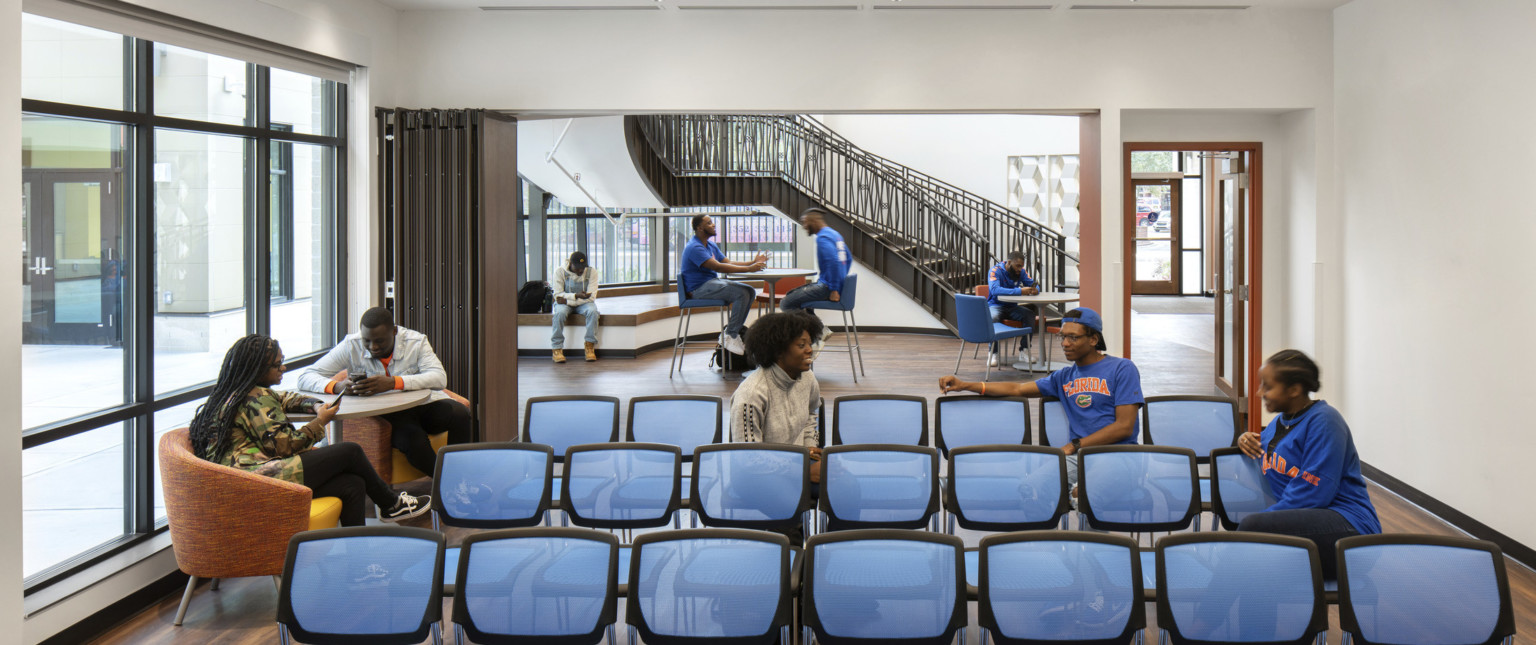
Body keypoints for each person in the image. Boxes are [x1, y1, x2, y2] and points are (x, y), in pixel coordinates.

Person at [188, 335, 431, 526]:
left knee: (353, 484)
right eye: (277, 365)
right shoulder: (256, 399)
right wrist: (320, 422)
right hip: (258, 479)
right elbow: (285, 446)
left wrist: (314, 405)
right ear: (257, 370)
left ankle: (357, 556)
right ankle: (391, 504)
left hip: (245, 480)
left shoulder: (239, 392)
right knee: (350, 451)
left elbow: (286, 398)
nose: (283, 368)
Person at [938, 307, 1142, 490]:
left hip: (1119, 455)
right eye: (1062, 337)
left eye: (1073, 337)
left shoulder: (1122, 369)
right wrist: (965, 385)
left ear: (1093, 340)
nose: (1064, 343)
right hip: (1080, 458)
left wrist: (1074, 445)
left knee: (1088, 494)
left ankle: (1080, 508)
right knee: (1032, 487)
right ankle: (1050, 529)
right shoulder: (1063, 377)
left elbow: (1124, 426)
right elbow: (1017, 389)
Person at [1237, 349, 1380, 576]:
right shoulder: (1277, 425)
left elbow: (1314, 492)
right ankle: (1221, 610)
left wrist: (1266, 520)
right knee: (1257, 568)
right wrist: (1243, 439)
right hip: (1308, 528)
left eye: (1268, 386)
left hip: (1351, 533)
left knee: (1251, 531)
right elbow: (1260, 451)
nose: (1259, 393)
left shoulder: (1325, 421)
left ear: (1294, 389)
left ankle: (1205, 610)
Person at [297, 307, 473, 478]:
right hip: (387, 415)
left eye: (380, 341)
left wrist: (394, 382)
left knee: (460, 413)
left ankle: (460, 474)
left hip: (422, 405)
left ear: (394, 331)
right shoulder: (352, 344)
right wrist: (338, 386)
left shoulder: (416, 342)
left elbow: (439, 378)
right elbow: (305, 377)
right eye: (367, 340)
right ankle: (450, 483)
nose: (373, 346)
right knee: (414, 440)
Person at [730, 311, 826, 544]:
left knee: (847, 487)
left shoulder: (808, 379)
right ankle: (793, 574)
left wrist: (810, 447)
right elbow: (750, 458)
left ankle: (830, 554)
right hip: (755, 476)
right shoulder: (751, 394)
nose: (810, 350)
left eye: (809, 343)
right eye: (801, 345)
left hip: (795, 462)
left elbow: (812, 414)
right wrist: (804, 469)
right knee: (790, 506)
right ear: (778, 351)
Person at [680, 214, 768, 355]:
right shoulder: (694, 247)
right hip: (698, 290)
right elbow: (719, 268)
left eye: (712, 222)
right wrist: (749, 269)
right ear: (699, 228)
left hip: (712, 284)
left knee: (750, 291)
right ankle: (731, 334)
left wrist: (752, 262)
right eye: (709, 223)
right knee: (741, 293)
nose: (713, 225)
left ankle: (733, 333)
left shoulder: (710, 245)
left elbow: (727, 262)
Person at [779, 207, 850, 314]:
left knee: (786, 303)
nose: (803, 226)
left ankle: (807, 329)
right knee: (791, 294)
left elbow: (834, 262)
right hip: (828, 285)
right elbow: (848, 258)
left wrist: (834, 289)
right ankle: (817, 329)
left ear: (814, 221)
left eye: (804, 222)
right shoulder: (834, 234)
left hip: (827, 288)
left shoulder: (823, 238)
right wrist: (841, 280)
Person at [985, 251, 1040, 366]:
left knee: (1029, 315)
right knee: (993, 316)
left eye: (1021, 266)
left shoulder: (1021, 272)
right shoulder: (995, 271)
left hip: (1012, 307)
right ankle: (993, 352)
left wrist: (1036, 289)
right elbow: (995, 290)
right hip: (996, 305)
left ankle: (1024, 350)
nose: (1020, 269)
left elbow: (1034, 284)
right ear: (1009, 262)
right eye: (1018, 266)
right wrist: (1020, 291)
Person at [549, 250, 600, 363]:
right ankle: (556, 347)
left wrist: (569, 301)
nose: (580, 270)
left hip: (571, 302)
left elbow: (591, 298)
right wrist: (576, 296)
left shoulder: (592, 272)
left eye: (582, 267)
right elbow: (558, 295)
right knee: (559, 313)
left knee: (593, 312)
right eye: (577, 267)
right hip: (568, 302)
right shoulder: (560, 271)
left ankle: (589, 345)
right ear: (570, 263)